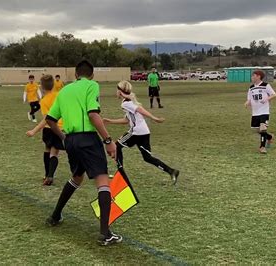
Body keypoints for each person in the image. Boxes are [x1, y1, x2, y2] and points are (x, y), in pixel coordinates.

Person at [45, 60, 122, 246]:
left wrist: (64, 137)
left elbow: (50, 119)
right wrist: (108, 141)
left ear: (75, 74)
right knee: (103, 181)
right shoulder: (92, 85)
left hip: (70, 140)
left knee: (77, 177)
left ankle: (55, 216)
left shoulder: (64, 91)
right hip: (88, 139)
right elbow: (93, 114)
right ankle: (105, 233)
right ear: (92, 75)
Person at [104, 80, 180, 185]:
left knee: (116, 146)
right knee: (147, 157)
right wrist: (110, 121)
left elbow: (140, 109)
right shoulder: (128, 102)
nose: (116, 92)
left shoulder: (126, 103)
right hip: (144, 132)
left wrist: (154, 118)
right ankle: (172, 171)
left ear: (120, 91)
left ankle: (121, 175)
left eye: (117, 90)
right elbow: (127, 120)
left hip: (136, 132)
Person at [26, 75, 64, 186]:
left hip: (48, 129)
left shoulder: (43, 101)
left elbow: (47, 119)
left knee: (47, 149)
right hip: (59, 128)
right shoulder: (59, 96)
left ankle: (47, 174)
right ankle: (50, 175)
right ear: (53, 85)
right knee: (54, 153)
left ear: (42, 87)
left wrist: (34, 130)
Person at [244, 70, 276, 154]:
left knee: (263, 129)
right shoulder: (251, 88)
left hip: (264, 111)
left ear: (258, 76)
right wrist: (247, 102)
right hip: (255, 112)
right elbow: (250, 98)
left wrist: (266, 99)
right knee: (257, 130)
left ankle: (262, 147)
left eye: (253, 75)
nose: (252, 77)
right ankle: (269, 137)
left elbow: (274, 94)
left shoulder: (266, 85)